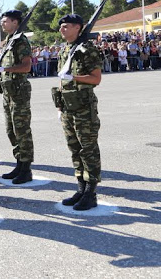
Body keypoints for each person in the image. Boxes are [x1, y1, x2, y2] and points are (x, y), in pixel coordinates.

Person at [54, 14, 103, 211]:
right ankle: (81, 189)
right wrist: (59, 106)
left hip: (83, 108)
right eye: (61, 27)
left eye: (66, 26)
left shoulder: (87, 49)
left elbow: (96, 79)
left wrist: (74, 77)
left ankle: (91, 193)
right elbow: (61, 80)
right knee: (74, 149)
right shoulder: (66, 49)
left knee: (88, 149)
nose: (62, 30)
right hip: (67, 107)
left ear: (78, 28)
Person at [0, 10, 34, 184]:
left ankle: (26, 168)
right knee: (11, 130)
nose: (3, 24)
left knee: (22, 130)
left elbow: (26, 67)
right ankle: (19, 163)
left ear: (16, 22)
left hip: (19, 92)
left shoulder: (21, 41)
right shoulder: (10, 40)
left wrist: (4, 70)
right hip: (8, 92)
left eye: (5, 21)